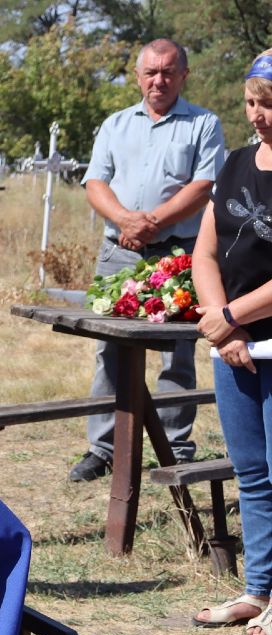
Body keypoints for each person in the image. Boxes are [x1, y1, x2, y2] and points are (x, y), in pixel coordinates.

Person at [72, 38, 225, 482]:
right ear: (138, 76)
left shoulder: (203, 124)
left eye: (168, 72)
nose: (159, 80)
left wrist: (152, 221)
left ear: (184, 75)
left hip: (178, 254)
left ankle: (174, 447)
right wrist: (125, 220)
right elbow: (95, 182)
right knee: (110, 350)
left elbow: (204, 185)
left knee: (177, 355)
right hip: (120, 253)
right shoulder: (115, 125)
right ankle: (103, 448)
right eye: (151, 72)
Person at [189, 49, 272, 635]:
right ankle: (259, 589)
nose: (257, 115)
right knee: (252, 474)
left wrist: (228, 317)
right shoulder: (235, 164)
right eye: (251, 103)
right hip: (234, 348)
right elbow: (205, 252)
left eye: (268, 105)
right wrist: (226, 326)